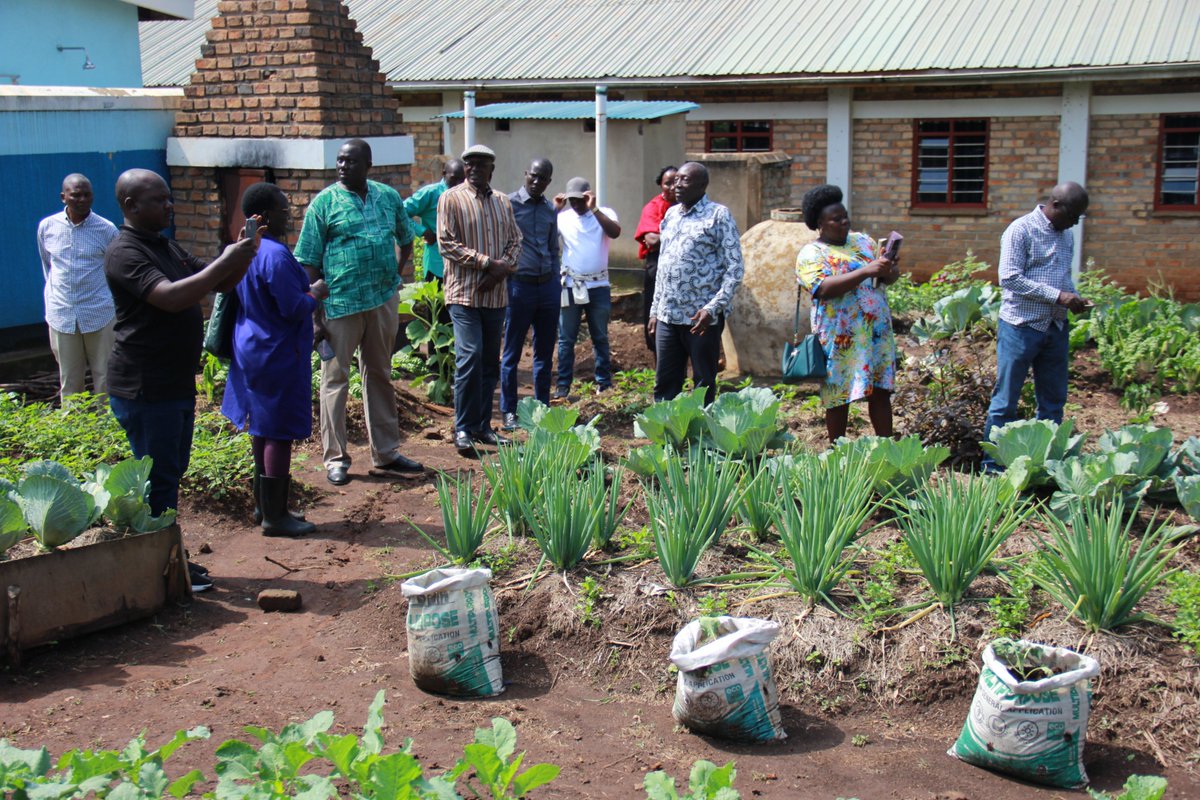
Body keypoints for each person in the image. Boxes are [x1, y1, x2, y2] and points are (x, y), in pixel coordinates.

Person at [105, 168, 259, 591]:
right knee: (159, 477)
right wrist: (227, 261)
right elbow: (172, 298)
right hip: (144, 386)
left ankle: (170, 562)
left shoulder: (162, 244)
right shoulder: (124, 252)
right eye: (159, 200)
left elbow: (217, 282)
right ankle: (164, 571)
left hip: (171, 383)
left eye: (169, 198)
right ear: (131, 206)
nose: (169, 205)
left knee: (171, 472)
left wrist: (243, 253)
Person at [295, 138, 424, 486]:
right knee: (335, 379)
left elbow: (406, 237)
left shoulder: (387, 197)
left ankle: (386, 452)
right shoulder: (323, 204)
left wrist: (396, 274)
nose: (342, 166)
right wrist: (315, 316)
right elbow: (307, 262)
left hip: (382, 301)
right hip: (340, 305)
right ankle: (335, 457)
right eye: (339, 161)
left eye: (351, 161)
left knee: (379, 372)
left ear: (368, 164)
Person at [222, 183, 327, 536]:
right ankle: (275, 518)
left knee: (261, 427)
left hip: (251, 346)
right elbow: (293, 307)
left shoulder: (244, 249)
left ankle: (264, 506)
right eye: (283, 209)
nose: (289, 214)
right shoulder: (275, 256)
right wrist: (315, 292)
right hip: (276, 351)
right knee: (278, 432)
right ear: (264, 216)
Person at [982, 182, 1090, 466]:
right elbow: (1009, 278)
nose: (1076, 223)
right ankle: (992, 466)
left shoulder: (1066, 235)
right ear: (1055, 205)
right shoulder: (1021, 230)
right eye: (1074, 215)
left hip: (1055, 328)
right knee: (1006, 401)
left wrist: (1074, 299)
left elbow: (1062, 277)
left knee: (1053, 402)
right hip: (1021, 326)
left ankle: (1045, 464)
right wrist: (1058, 296)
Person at [796, 184, 900, 444]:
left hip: (875, 331)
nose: (843, 222)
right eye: (836, 219)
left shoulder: (863, 242)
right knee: (839, 394)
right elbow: (822, 288)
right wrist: (866, 271)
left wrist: (888, 270)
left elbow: (887, 280)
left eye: (845, 217)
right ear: (819, 223)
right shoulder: (812, 253)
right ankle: (837, 451)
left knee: (880, 390)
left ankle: (886, 447)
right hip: (840, 335)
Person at [437, 144, 523, 453]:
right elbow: (447, 243)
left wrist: (501, 271)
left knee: (489, 363)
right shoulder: (451, 198)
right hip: (464, 293)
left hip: (495, 296)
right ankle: (462, 428)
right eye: (469, 163)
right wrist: (487, 263)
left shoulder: (502, 202)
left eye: (481, 164)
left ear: (491, 169)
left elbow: (516, 239)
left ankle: (482, 426)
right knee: (469, 357)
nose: (474, 168)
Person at [648, 162, 743, 404]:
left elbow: (734, 269)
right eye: (676, 179)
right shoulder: (670, 214)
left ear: (702, 185)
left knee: (703, 382)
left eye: (685, 180)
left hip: (700, 319)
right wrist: (655, 310)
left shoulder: (718, 215)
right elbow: (663, 266)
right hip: (668, 315)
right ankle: (667, 438)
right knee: (665, 382)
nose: (677, 185)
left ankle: (701, 438)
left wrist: (712, 309)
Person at [36, 173, 119, 399]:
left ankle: (106, 428)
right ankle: (72, 429)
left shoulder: (107, 229)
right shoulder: (47, 227)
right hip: (62, 314)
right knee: (70, 379)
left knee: (105, 376)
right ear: (64, 197)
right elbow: (48, 266)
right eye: (76, 195)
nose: (82, 199)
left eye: (87, 195)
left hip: (100, 312)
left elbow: (117, 270)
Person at [500, 158, 559, 430]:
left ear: (549, 181)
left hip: (546, 287)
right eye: (533, 176)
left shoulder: (550, 209)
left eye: (543, 178)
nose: (536, 182)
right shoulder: (508, 204)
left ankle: (542, 409)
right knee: (511, 353)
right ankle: (509, 411)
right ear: (526, 174)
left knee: (544, 354)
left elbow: (553, 249)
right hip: (519, 286)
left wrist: (556, 284)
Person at [554, 177, 621, 399]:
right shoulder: (562, 218)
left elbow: (615, 232)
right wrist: (554, 209)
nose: (576, 204)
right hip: (571, 285)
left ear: (589, 196)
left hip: (598, 285)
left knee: (600, 336)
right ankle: (563, 385)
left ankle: (604, 383)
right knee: (566, 338)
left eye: (580, 199)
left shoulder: (604, 214)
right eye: (572, 200)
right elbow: (544, 235)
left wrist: (594, 209)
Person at [634, 166, 677, 354]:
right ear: (661, 185)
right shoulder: (653, 207)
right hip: (657, 264)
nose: (673, 187)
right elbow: (651, 239)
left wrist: (664, 236)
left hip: (682, 268)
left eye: (676, 182)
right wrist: (683, 235)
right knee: (655, 311)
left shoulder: (689, 206)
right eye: (668, 183)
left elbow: (658, 238)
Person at [403, 159, 465, 285]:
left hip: (461, 264)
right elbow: (400, 213)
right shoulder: (431, 193)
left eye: (462, 180)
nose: (458, 183)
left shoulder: (465, 195)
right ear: (444, 173)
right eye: (454, 178)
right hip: (437, 265)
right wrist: (423, 231)